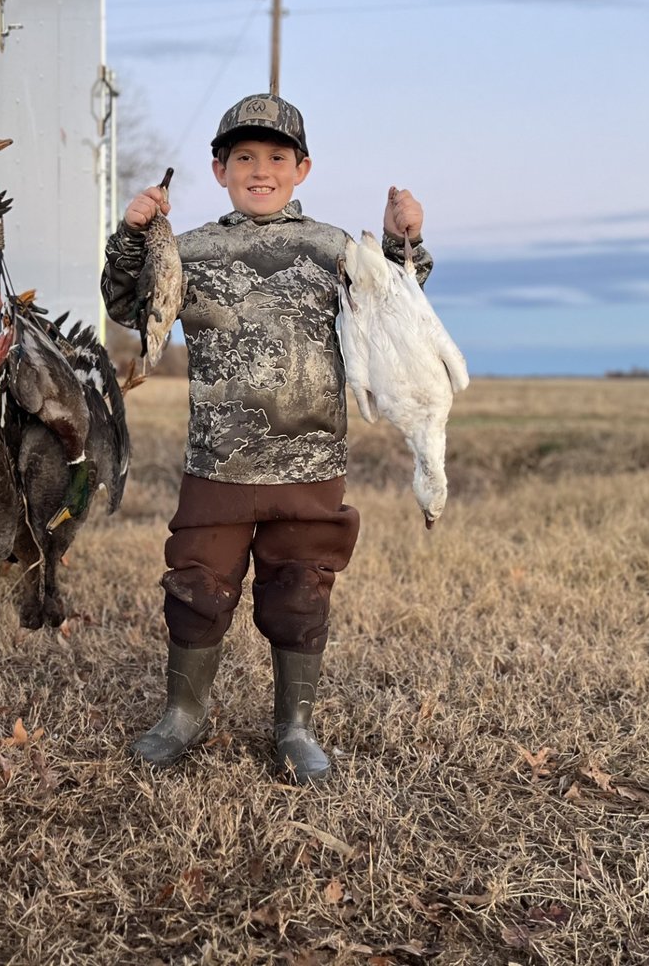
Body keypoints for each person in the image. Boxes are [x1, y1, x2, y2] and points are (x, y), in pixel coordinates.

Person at [100, 92, 433, 783]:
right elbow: (126, 304)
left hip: (310, 463)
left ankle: (294, 726)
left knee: (301, 589)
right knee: (195, 588)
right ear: (218, 169)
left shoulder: (331, 247)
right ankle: (182, 717)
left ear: (301, 169)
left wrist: (404, 239)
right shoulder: (191, 249)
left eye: (276, 158)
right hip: (217, 463)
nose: (260, 170)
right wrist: (134, 235)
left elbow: (398, 306)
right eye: (243, 158)